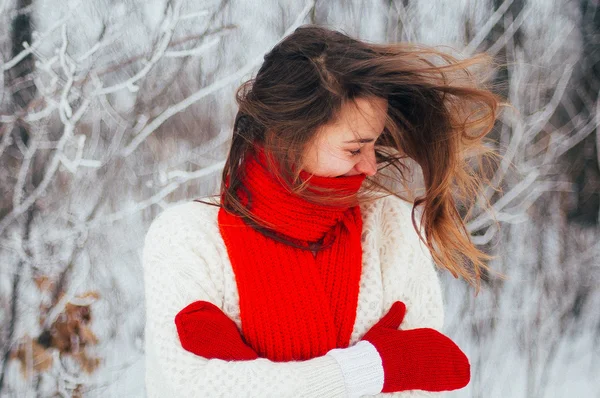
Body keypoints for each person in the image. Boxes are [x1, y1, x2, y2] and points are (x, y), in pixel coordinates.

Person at [142, 25, 504, 397]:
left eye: (374, 144)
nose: (370, 167)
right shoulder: (186, 239)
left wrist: (260, 380)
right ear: (288, 137)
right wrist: (372, 368)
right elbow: (187, 387)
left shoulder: (389, 227)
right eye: (354, 149)